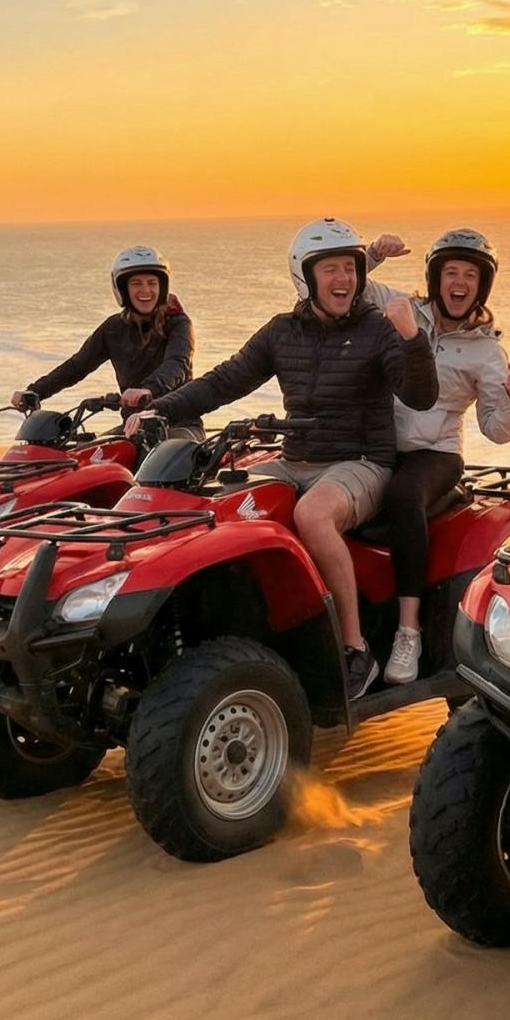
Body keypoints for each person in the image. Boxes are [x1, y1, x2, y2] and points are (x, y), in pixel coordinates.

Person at [130, 219, 438, 699]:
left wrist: (414, 339)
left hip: (362, 462)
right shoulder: (281, 331)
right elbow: (224, 380)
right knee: (212, 504)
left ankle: (355, 651)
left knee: (313, 514)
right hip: (293, 459)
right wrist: (158, 407)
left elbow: (420, 396)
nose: (344, 279)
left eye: (350, 268)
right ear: (306, 277)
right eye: (331, 269)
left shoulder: (380, 330)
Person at [360, 227, 510, 682]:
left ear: (481, 285)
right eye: (451, 271)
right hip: (376, 443)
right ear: (435, 278)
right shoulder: (401, 310)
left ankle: (407, 633)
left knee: (402, 495)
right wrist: (372, 254)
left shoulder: (488, 350)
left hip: (435, 453)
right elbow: (338, 286)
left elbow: (496, 431)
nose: (460, 282)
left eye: (470, 274)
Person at [12, 245, 200, 435]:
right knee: (92, 457)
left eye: (152, 283)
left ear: (162, 287)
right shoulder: (113, 328)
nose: (146, 290)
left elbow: (177, 365)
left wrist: (147, 390)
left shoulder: (178, 324)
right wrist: (36, 392)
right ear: (123, 289)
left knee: (166, 461)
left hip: (179, 424)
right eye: (137, 284)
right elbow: (77, 366)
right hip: (134, 427)